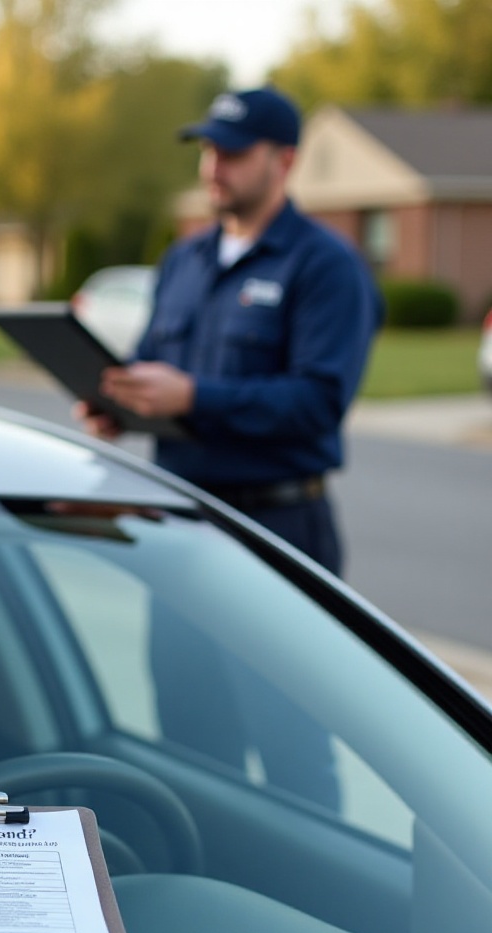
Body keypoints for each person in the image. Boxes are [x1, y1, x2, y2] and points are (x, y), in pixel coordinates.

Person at [80, 86, 383, 575]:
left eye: (234, 154)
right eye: (209, 151)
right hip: (176, 516)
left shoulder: (326, 265)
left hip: (276, 526)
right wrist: (122, 403)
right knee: (171, 656)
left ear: (284, 162)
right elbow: (150, 361)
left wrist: (193, 397)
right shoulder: (184, 260)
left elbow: (319, 403)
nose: (213, 168)